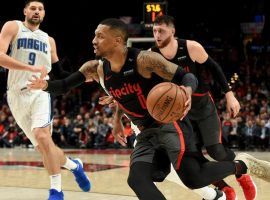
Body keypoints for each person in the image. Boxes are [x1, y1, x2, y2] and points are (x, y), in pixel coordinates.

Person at [28, 18, 270, 200]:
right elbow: (63, 85)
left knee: (193, 178)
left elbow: (186, 77)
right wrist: (45, 85)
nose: (93, 40)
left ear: (118, 41)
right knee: (139, 179)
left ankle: (242, 165)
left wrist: (185, 90)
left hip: (170, 126)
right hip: (145, 132)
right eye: (94, 36)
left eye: (100, 36)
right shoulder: (96, 68)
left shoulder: (144, 60)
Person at [150, 15, 256, 200]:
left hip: (202, 105)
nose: (157, 35)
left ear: (172, 32)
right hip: (180, 113)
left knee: (216, 151)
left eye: (161, 31)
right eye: (154, 31)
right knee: (193, 157)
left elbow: (214, 68)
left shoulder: (190, 47)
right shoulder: (150, 55)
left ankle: (242, 173)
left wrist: (229, 95)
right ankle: (224, 190)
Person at [0, 1, 90, 199]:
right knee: (44, 147)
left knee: (42, 136)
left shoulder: (49, 40)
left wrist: (82, 77)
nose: (36, 11)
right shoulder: (13, 26)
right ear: (25, 11)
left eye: (40, 9)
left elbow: (59, 73)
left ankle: (56, 190)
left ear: (44, 14)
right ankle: (75, 166)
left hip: (41, 92)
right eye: (33, 8)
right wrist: (30, 69)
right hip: (16, 94)